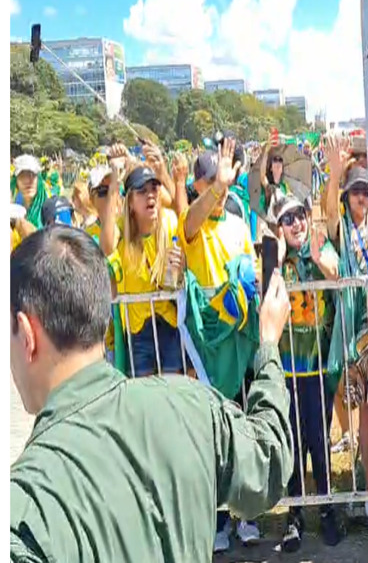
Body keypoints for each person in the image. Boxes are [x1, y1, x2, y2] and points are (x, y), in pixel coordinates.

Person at [10, 226, 295, 562]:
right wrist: (268, 347)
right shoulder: (191, 405)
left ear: (27, 334)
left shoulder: (25, 508)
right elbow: (269, 462)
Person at [179, 139, 264, 551]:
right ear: (197, 185)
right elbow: (191, 224)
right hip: (210, 349)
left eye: (225, 181)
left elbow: (248, 278)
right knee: (211, 436)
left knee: (241, 431)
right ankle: (214, 522)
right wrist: (217, 189)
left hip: (239, 345)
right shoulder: (190, 224)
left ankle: (245, 515)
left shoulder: (236, 224)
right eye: (212, 181)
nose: (222, 187)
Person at [270, 195, 346, 552]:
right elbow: (264, 292)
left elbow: (337, 275)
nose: (297, 223)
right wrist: (279, 255)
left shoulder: (319, 246)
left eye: (300, 215)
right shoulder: (275, 259)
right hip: (287, 367)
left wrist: (316, 257)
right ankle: (296, 514)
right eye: (288, 219)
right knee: (294, 442)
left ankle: (327, 508)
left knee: (319, 438)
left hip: (316, 364)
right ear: (278, 227)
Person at [323, 136, 368, 519]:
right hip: (349, 330)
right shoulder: (342, 228)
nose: (361, 197)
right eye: (355, 191)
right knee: (357, 407)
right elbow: (327, 212)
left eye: (366, 190)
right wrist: (334, 172)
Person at [103, 166, 184, 377]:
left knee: (173, 393)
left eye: (154, 189)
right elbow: (107, 246)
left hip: (169, 323)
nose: (150, 195)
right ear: (130, 202)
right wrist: (114, 182)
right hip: (137, 330)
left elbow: (184, 211)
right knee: (145, 398)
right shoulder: (122, 229)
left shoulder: (170, 222)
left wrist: (181, 266)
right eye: (142, 191)